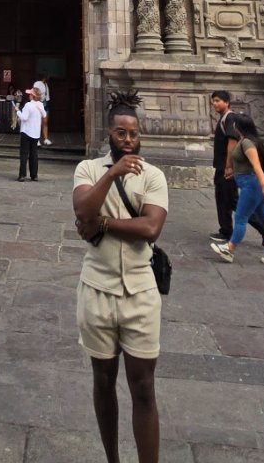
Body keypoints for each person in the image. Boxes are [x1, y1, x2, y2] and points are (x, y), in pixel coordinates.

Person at [72, 89, 168, 463]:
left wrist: (104, 223)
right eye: (120, 133)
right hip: (96, 286)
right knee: (103, 380)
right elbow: (82, 211)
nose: (127, 140)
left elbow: (150, 228)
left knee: (143, 386)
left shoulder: (154, 176)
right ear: (108, 133)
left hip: (141, 291)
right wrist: (111, 173)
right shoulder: (88, 170)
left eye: (133, 134)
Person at [210, 113, 264, 265]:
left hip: (251, 185)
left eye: (235, 124)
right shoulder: (245, 140)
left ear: (238, 126)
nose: (233, 126)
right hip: (249, 183)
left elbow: (257, 166)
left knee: (240, 217)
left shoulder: (247, 143)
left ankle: (229, 249)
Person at [209, 90, 264, 247]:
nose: (215, 104)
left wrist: (229, 166)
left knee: (231, 199)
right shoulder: (224, 118)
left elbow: (232, 143)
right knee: (223, 198)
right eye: (213, 101)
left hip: (226, 167)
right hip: (221, 166)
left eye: (218, 101)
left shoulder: (230, 118)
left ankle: (261, 225)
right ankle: (225, 229)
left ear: (227, 102)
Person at [15, 88, 45, 181]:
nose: (29, 95)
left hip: (26, 132)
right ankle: (34, 175)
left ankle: (22, 175)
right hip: (36, 133)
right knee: (34, 154)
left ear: (32, 96)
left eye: (30, 94)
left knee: (24, 154)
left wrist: (17, 111)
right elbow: (44, 115)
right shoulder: (41, 105)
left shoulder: (28, 105)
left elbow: (24, 118)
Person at [34, 77, 52, 146]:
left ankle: (46, 139)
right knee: (37, 122)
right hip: (38, 104)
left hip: (45, 104)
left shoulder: (46, 85)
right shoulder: (37, 84)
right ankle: (37, 140)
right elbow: (35, 93)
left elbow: (47, 97)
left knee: (45, 122)